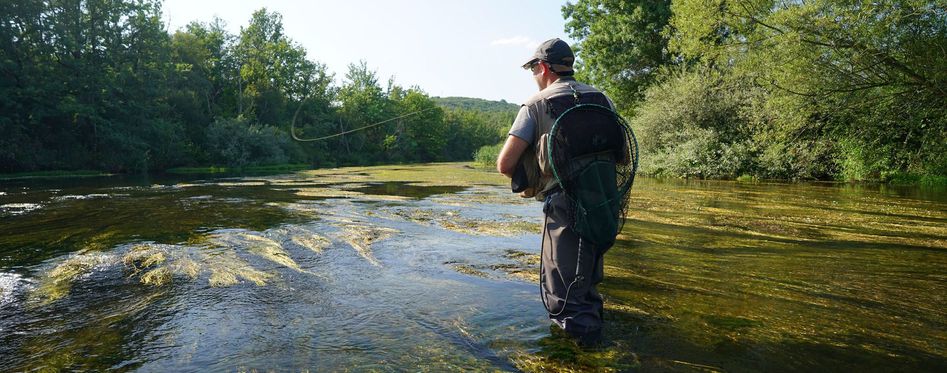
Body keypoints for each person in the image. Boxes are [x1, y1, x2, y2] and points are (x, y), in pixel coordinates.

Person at [496, 38, 618, 345]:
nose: (534, 77)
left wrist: (530, 182)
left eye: (533, 70)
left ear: (542, 68)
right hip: (605, 202)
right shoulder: (602, 98)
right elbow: (623, 155)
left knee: (564, 295)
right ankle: (594, 343)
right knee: (587, 283)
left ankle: (582, 357)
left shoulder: (535, 105)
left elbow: (504, 163)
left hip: (565, 207)